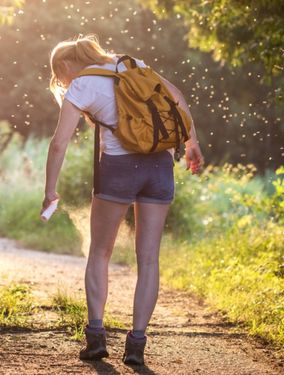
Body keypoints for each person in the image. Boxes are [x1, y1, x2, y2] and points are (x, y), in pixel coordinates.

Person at [42, 35, 204, 365]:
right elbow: (177, 96)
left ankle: (97, 339)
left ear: (64, 67)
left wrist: (50, 190)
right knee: (148, 260)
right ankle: (136, 346)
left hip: (118, 169)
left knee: (100, 252)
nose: (61, 83)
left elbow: (59, 144)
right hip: (159, 166)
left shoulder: (82, 85)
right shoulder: (132, 65)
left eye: (59, 77)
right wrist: (191, 144)